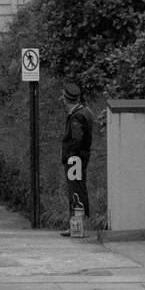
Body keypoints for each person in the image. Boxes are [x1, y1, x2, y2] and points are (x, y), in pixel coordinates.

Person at [59, 81, 94, 237]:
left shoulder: (77, 116)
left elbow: (77, 140)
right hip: (80, 158)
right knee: (80, 189)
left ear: (66, 98)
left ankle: (77, 226)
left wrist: (69, 156)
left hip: (75, 160)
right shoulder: (85, 111)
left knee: (75, 192)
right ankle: (80, 224)